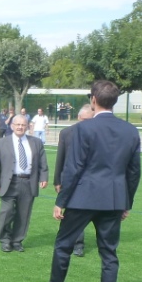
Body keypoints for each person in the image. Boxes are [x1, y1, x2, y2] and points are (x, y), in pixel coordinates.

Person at [34, 80, 141, 282]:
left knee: (63, 246)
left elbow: (73, 169)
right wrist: (127, 203)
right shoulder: (130, 131)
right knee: (109, 254)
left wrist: (61, 200)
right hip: (113, 200)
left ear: (93, 99)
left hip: (82, 198)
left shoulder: (83, 129)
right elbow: (134, 172)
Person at [0, 115, 48, 253]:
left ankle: (17, 240)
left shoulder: (36, 142)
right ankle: (5, 240)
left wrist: (43, 177)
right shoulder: (1, 143)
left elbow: (42, 163)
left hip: (28, 182)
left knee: (24, 214)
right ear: (12, 126)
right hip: (9, 183)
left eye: (23, 125)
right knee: (7, 212)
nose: (20, 127)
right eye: (17, 124)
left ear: (27, 126)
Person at [53, 104, 94, 257]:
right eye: (83, 119)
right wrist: (57, 180)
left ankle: (78, 244)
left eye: (89, 120)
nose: (85, 123)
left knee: (83, 212)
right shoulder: (66, 133)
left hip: (89, 181)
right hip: (70, 180)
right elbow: (60, 158)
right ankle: (71, 243)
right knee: (70, 213)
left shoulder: (97, 133)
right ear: (78, 117)